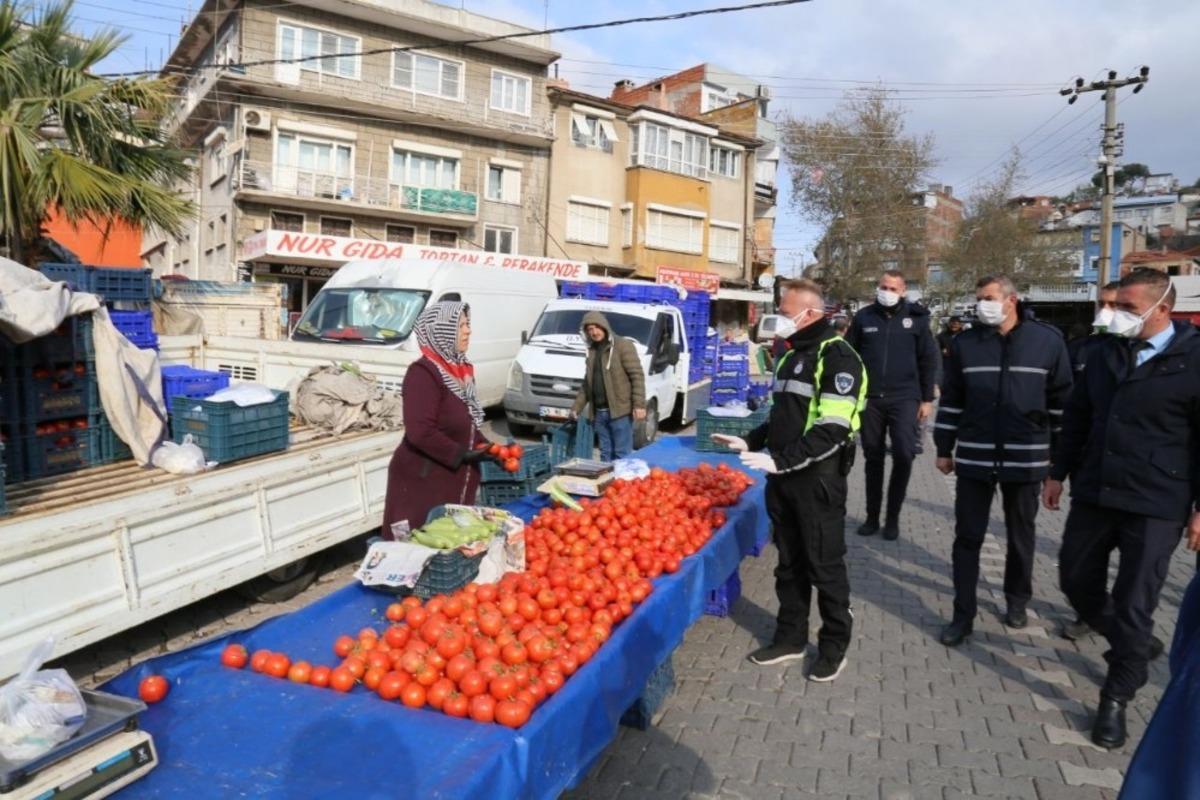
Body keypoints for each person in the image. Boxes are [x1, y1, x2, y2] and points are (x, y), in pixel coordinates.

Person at [1045, 267, 1200, 750]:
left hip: (1157, 500)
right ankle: (1134, 644)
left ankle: (1116, 695)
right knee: (1075, 579)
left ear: (1163, 310)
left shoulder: (1194, 358)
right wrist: (1057, 471)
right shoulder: (1103, 353)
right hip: (1096, 490)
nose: (1113, 315)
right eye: (1112, 305)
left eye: (1127, 308)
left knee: (1135, 602)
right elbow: (1078, 417)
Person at [712, 278, 867, 682]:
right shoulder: (788, 355)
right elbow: (781, 417)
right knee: (789, 564)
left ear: (810, 313)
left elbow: (832, 429)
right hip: (783, 480)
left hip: (818, 481)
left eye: (784, 311)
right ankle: (790, 638)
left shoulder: (839, 358)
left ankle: (833, 646)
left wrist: (780, 461)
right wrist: (750, 440)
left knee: (824, 567)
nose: (778, 317)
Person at [934, 275, 1072, 646]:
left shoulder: (1047, 341)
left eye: (989, 298)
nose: (982, 304)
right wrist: (943, 447)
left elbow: (1062, 405)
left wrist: (1058, 465)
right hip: (975, 455)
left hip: (1025, 457)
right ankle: (963, 614)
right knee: (967, 537)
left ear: (1012, 300)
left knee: (1020, 535)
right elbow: (952, 400)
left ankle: (1017, 600)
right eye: (978, 298)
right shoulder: (965, 344)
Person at [381, 301, 494, 538]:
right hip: (422, 482)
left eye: (468, 324)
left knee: (448, 541)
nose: (468, 331)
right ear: (441, 331)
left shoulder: (460, 371)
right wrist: (460, 454)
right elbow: (420, 431)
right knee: (418, 543)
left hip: (451, 480)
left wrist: (490, 448)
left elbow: (466, 423)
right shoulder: (423, 373)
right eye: (460, 326)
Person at [846, 270, 938, 541]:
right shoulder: (864, 317)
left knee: (904, 454)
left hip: (905, 397)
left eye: (893, 288)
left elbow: (928, 360)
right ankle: (872, 517)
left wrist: (927, 399)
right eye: (883, 287)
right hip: (871, 399)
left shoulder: (917, 319)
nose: (887, 292)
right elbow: (849, 356)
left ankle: (893, 518)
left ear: (903, 291)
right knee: (872, 457)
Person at [1060, 279, 1120, 641]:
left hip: (1143, 480)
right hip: (1089, 468)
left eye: (1115, 305)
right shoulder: (1084, 350)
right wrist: (1058, 468)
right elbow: (1073, 410)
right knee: (1081, 563)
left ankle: (1129, 635)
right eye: (1103, 303)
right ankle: (1091, 614)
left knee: (1136, 574)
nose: (1107, 311)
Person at [571, 311, 646, 461]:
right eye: (590, 329)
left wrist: (639, 405)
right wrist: (576, 407)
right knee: (605, 453)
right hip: (599, 413)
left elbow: (637, 376)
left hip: (620, 412)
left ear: (604, 326)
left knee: (621, 454)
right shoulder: (592, 350)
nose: (594, 332)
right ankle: (607, 477)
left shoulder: (623, 346)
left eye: (597, 327)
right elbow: (588, 383)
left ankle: (621, 476)